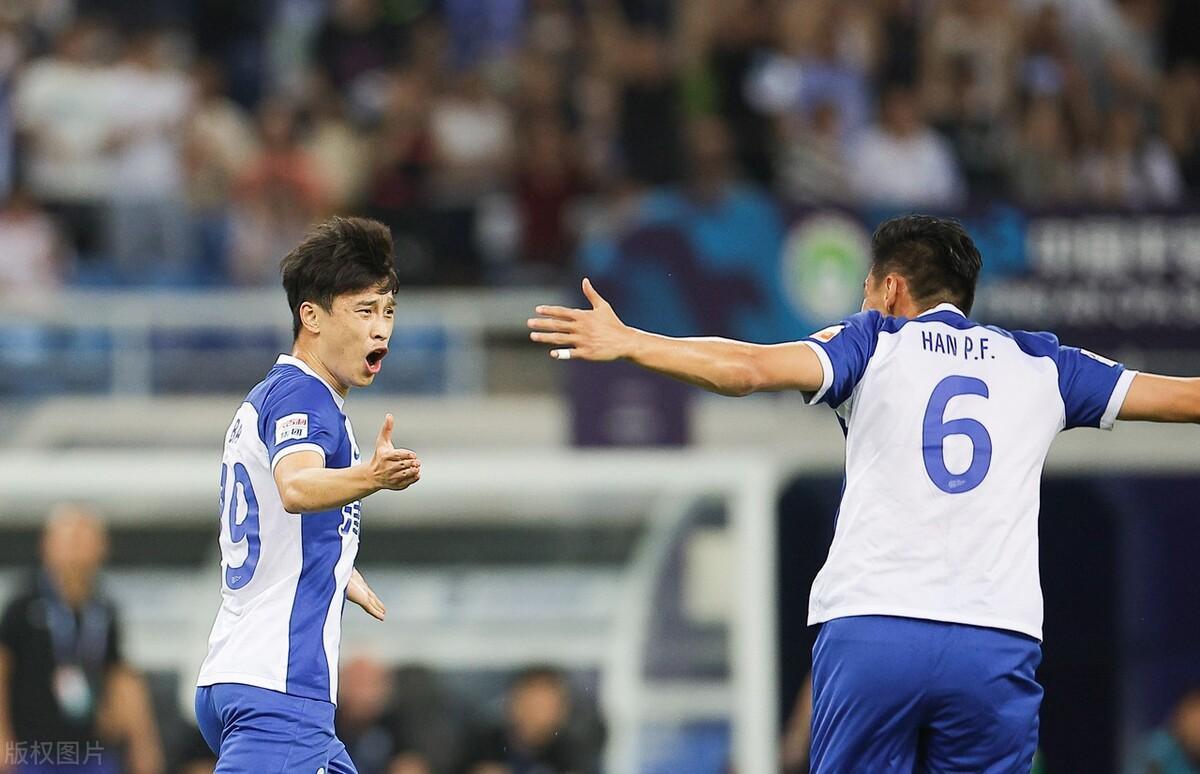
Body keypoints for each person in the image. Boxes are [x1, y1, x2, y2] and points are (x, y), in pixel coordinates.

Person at [528, 214, 1200, 772]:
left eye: (865, 288)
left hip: (876, 627)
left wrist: (631, 342)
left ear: (891, 288)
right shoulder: (1042, 362)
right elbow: (1184, 399)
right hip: (996, 638)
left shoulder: (872, 341)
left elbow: (747, 368)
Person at [195, 216, 422, 773]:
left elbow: (279, 520)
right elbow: (295, 488)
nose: (381, 330)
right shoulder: (306, 397)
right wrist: (373, 476)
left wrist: (337, 563)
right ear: (312, 316)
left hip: (249, 678)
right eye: (364, 311)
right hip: (279, 688)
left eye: (388, 311)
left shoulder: (274, 394)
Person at [0, 505, 164, 774]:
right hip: (33, 750)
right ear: (47, 545)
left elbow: (119, 675)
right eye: (69, 538)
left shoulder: (104, 610)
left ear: (102, 547)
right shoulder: (23, 606)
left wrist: (142, 743)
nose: (76, 549)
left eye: (84, 538)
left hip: (92, 750)